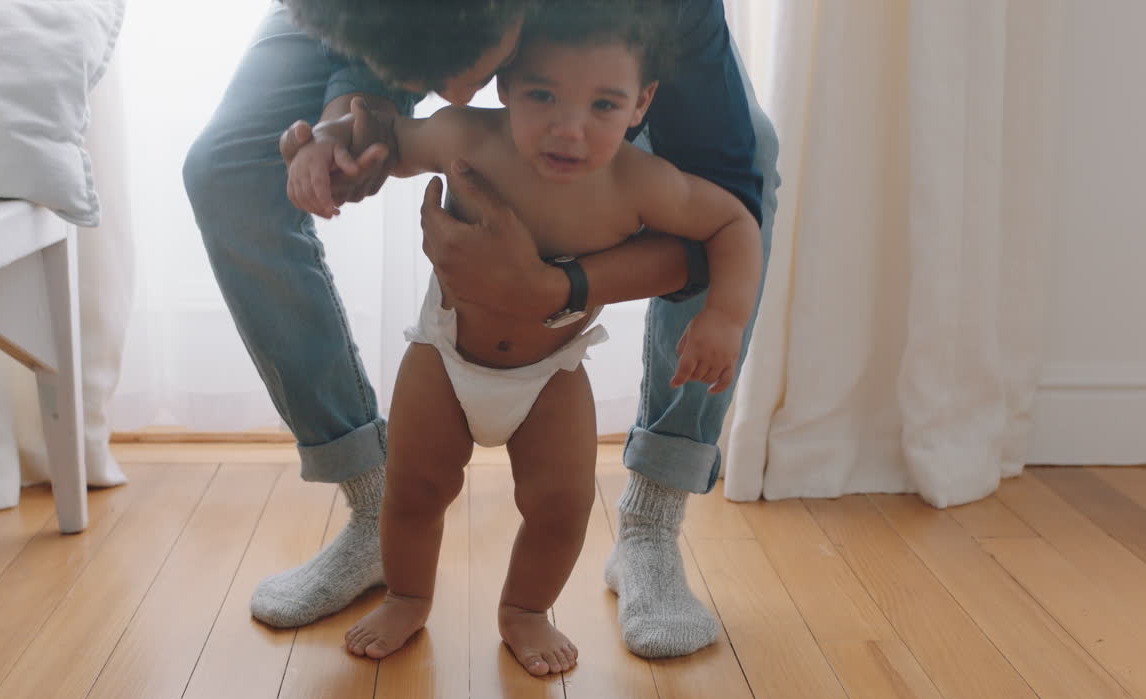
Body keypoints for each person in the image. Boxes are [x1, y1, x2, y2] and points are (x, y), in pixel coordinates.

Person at [183, 0, 779, 661]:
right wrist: (333, 138)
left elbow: (731, 215)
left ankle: (640, 533)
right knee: (415, 490)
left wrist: (568, 290)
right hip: (444, 360)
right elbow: (380, 133)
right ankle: (380, 533)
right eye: (540, 93)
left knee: (560, 506)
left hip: (551, 374)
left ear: (640, 104)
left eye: (605, 107)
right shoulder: (469, 134)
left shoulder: (643, 175)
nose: (456, 96)